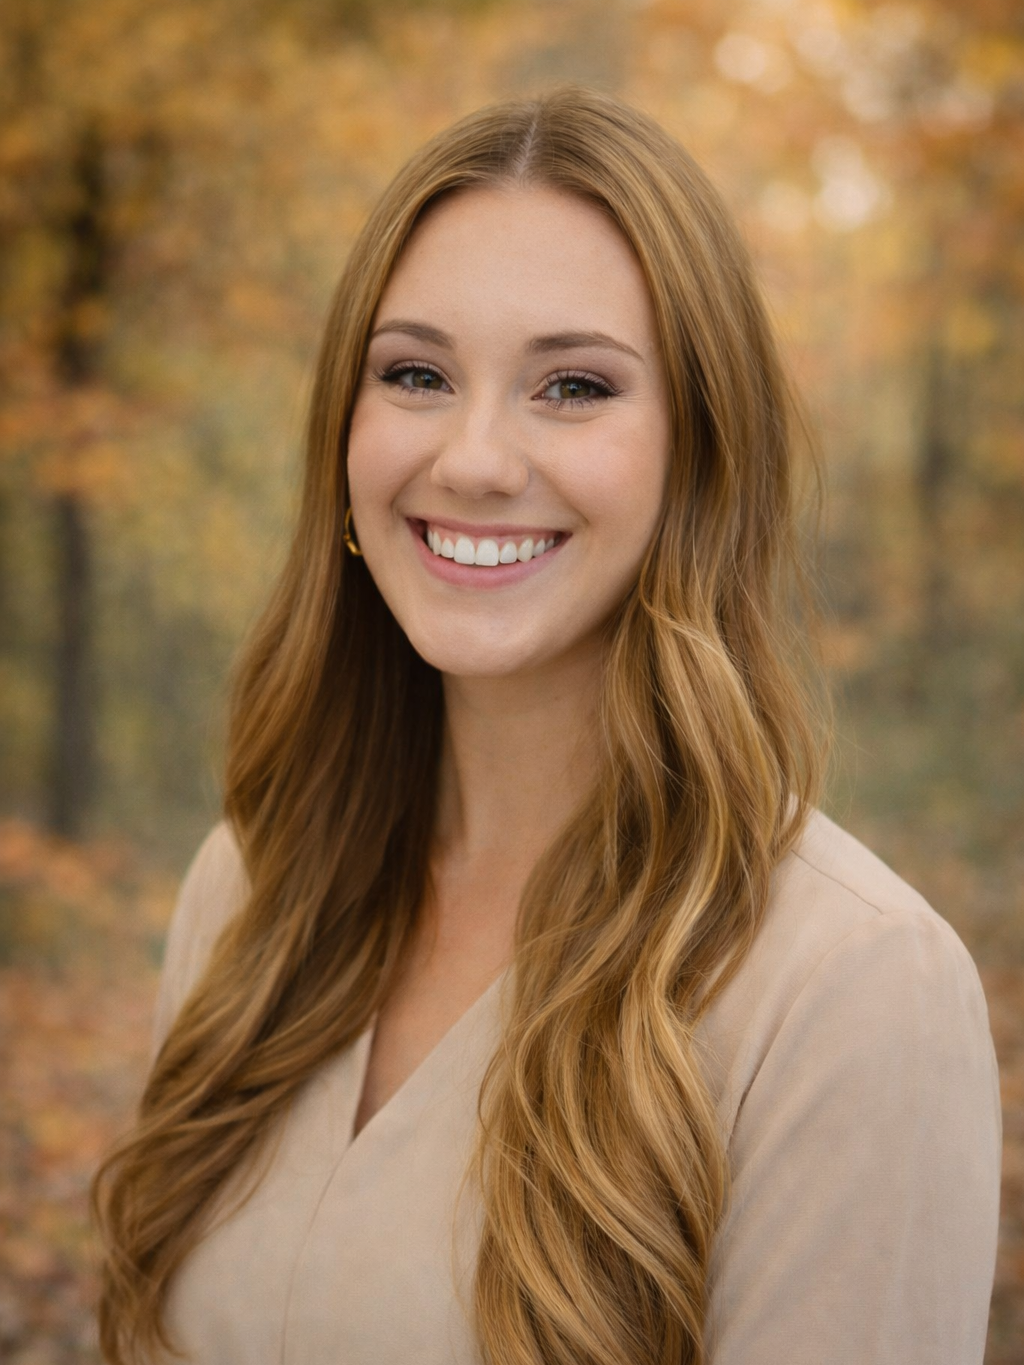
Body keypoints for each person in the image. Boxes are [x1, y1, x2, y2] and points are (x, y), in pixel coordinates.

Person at [92, 87, 1001, 1365]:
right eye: (415, 373)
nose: (472, 457)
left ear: (698, 456)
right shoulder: (250, 887)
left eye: (572, 386)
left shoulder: (854, 993)